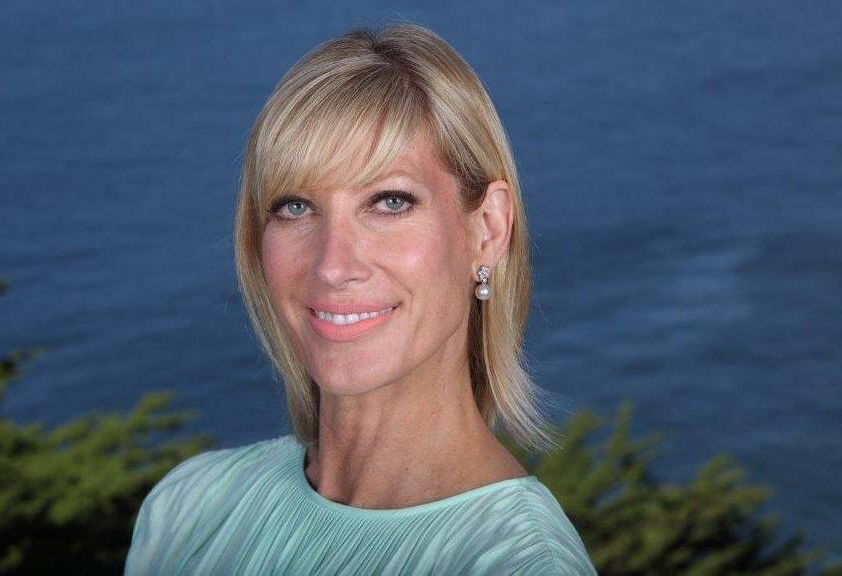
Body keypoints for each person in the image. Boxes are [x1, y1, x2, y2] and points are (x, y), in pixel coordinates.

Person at [124, 22, 598, 575]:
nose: (333, 265)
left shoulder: (515, 563)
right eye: (295, 207)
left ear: (487, 229)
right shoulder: (190, 507)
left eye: (390, 202)